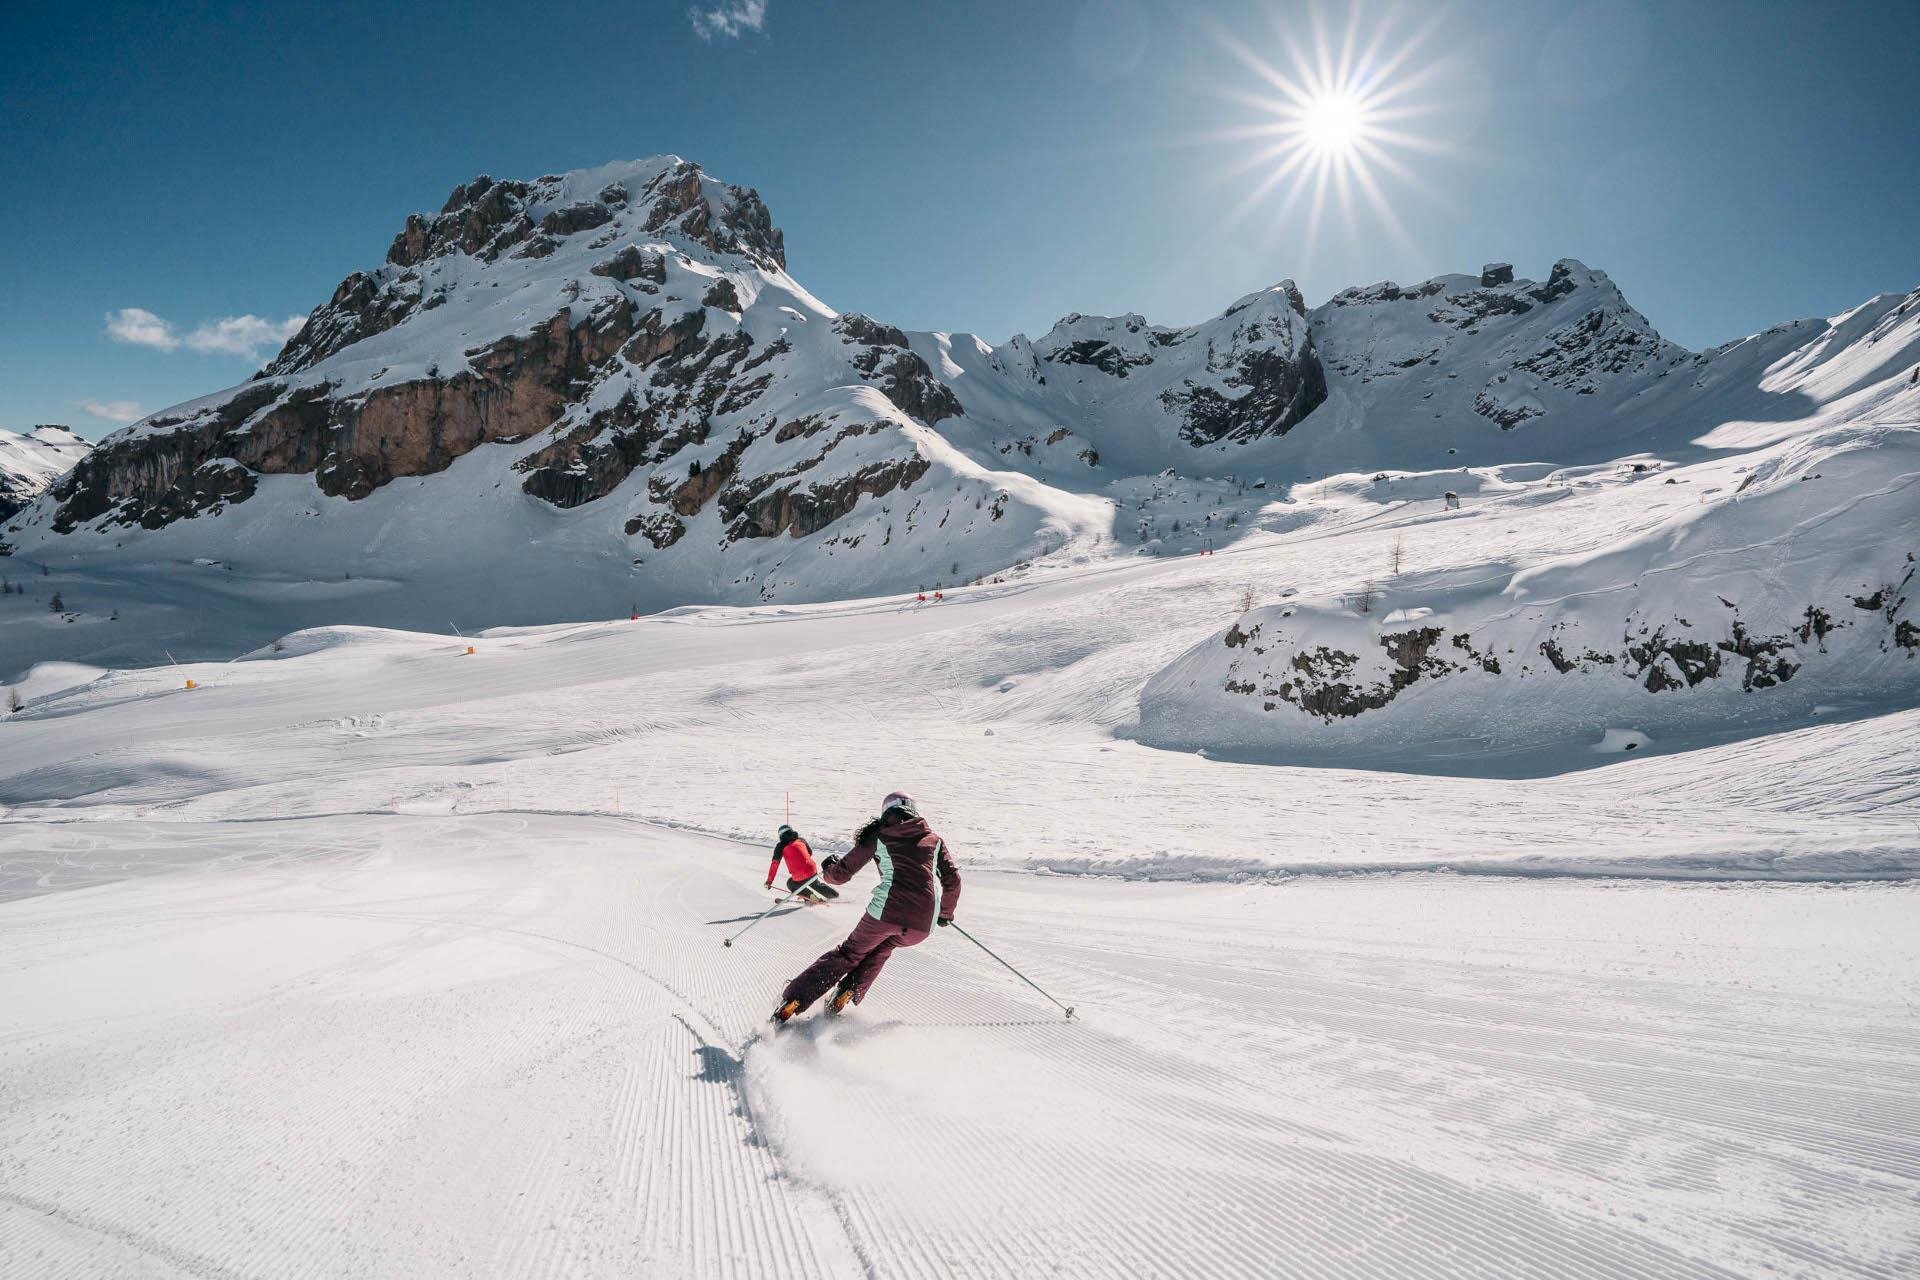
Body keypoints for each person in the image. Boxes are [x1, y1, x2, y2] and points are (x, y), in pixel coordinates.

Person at [772, 792, 961, 1022]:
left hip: (887, 911)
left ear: (886, 811)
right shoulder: (934, 839)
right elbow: (953, 881)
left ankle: (795, 998)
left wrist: (829, 868)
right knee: (882, 948)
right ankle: (847, 991)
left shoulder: (880, 835)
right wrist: (944, 913)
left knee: (850, 953)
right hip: (923, 924)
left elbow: (841, 875)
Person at [767, 825, 838, 903]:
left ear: (780, 835)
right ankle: (835, 896)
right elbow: (810, 853)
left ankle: (811, 898)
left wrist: (769, 881)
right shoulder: (801, 840)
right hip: (811, 869)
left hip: (798, 875)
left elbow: (775, 864)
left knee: (791, 884)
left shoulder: (780, 846)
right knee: (815, 884)